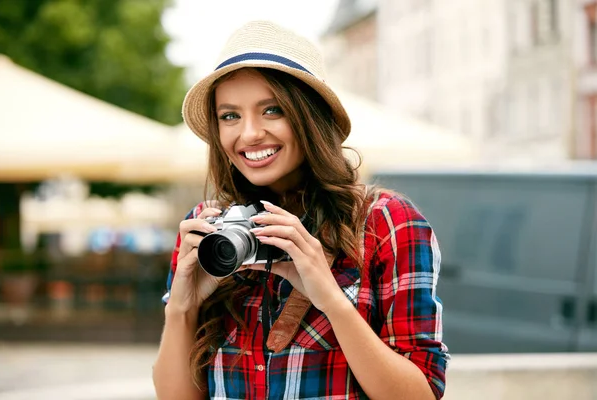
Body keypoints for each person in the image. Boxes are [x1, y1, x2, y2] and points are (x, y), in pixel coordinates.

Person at [153, 20, 449, 400]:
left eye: (272, 110)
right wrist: (181, 307)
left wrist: (329, 296)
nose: (249, 134)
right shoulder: (209, 231)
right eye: (230, 116)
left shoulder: (386, 222)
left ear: (310, 117)